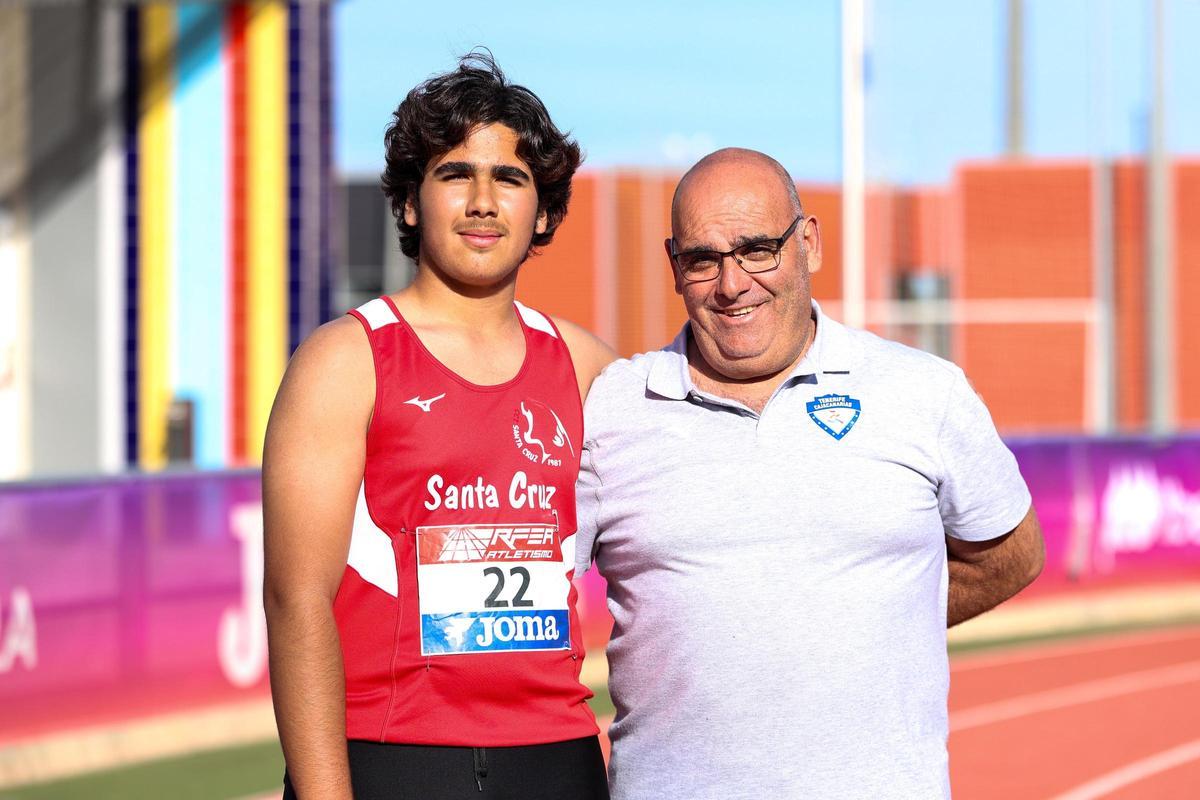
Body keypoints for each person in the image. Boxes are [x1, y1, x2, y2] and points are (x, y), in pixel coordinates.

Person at [574, 148, 1044, 800]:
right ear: (674, 266)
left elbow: (1013, 555)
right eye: (702, 259)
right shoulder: (613, 409)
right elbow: (536, 602)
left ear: (809, 243)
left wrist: (862, 622)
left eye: (758, 249)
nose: (732, 284)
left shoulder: (925, 392)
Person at [263, 53, 615, 800]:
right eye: (456, 174)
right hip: (393, 756)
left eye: (510, 179)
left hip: (555, 758)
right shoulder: (346, 360)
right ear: (410, 204)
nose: (483, 201)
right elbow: (297, 601)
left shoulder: (588, 367)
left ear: (544, 211)